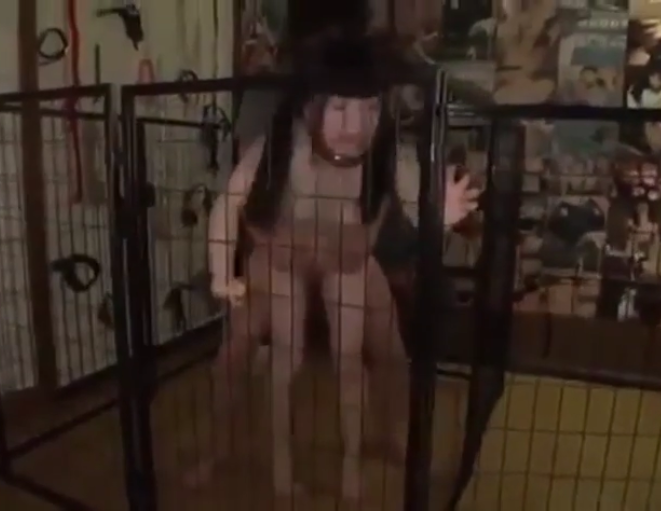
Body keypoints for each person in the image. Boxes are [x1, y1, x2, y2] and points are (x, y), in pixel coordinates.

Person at [194, 33, 480, 499]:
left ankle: (377, 445)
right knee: (243, 359)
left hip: (349, 260)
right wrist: (221, 274)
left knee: (379, 355)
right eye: (341, 108)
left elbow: (420, 204)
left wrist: (441, 215)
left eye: (370, 109)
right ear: (311, 107)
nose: (356, 126)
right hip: (279, 259)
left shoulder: (388, 154)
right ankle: (225, 452)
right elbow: (228, 204)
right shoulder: (280, 147)